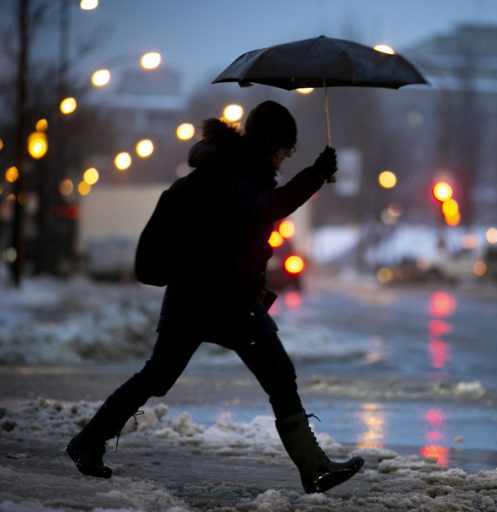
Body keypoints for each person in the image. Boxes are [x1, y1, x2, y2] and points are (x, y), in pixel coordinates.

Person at [66, 101, 364, 493]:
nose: (287, 157)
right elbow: (267, 209)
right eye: (286, 148)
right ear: (270, 143)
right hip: (221, 301)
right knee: (274, 376)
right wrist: (316, 174)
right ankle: (314, 468)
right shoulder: (236, 175)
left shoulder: (233, 170)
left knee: (160, 376)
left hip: (202, 298)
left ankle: (88, 441)